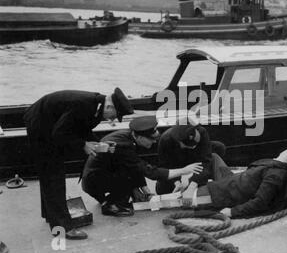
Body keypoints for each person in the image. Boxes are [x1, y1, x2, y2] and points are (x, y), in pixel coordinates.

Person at [23, 88, 133, 240]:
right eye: (114, 116)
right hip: (41, 125)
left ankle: (49, 214)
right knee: (53, 175)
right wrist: (83, 145)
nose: (112, 120)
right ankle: (62, 227)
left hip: (51, 123)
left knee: (51, 174)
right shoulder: (84, 105)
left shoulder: (96, 106)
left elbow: (81, 127)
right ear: (109, 107)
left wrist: (99, 143)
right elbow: (59, 133)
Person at [82, 116, 203, 217]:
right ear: (139, 137)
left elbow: (135, 165)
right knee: (127, 180)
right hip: (94, 183)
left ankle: (114, 198)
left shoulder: (129, 137)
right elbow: (150, 172)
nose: (154, 142)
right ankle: (110, 206)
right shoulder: (123, 146)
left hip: (101, 176)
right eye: (151, 139)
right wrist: (184, 170)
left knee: (131, 174)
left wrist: (144, 190)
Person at [181, 147, 287, 219]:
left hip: (223, 194)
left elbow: (260, 202)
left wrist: (233, 212)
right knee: (214, 157)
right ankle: (191, 185)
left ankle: (188, 190)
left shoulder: (275, 175)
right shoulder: (276, 166)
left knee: (184, 200)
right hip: (232, 180)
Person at [156, 123, 226, 195]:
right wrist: (176, 182)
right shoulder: (165, 140)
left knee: (219, 148)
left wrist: (193, 185)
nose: (193, 147)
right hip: (176, 161)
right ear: (179, 142)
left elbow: (205, 161)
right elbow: (165, 166)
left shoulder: (202, 132)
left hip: (195, 157)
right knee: (161, 188)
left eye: (195, 145)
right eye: (190, 146)